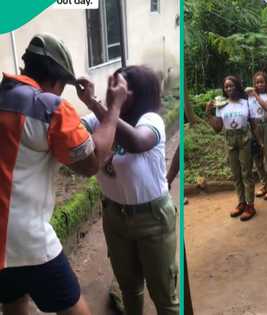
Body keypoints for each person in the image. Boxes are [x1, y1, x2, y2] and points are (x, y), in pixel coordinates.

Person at [0, 34, 126, 315]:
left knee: (13, 300)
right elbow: (91, 162)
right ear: (57, 81)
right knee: (74, 309)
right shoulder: (49, 107)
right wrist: (114, 107)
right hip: (26, 239)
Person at [80, 65, 179, 315]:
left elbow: (136, 142)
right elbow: (69, 130)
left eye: (118, 87)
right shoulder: (98, 121)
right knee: (130, 290)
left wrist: (100, 105)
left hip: (152, 219)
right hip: (115, 217)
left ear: (134, 94)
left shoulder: (150, 120)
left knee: (164, 296)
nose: (111, 91)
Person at [206, 75, 257, 221]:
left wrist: (259, 142)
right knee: (236, 174)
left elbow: (252, 123)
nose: (229, 88)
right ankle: (241, 202)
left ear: (237, 87)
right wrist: (208, 113)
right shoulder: (221, 105)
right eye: (226, 86)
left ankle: (250, 205)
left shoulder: (245, 103)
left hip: (244, 139)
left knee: (247, 173)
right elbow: (218, 128)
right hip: (230, 139)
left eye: (231, 85)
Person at [247, 71, 267, 200]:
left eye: (262, 82)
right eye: (257, 82)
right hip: (254, 127)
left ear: (266, 83)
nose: (259, 84)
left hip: (266, 126)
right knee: (257, 158)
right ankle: (264, 184)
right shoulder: (249, 97)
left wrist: (256, 96)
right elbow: (249, 115)